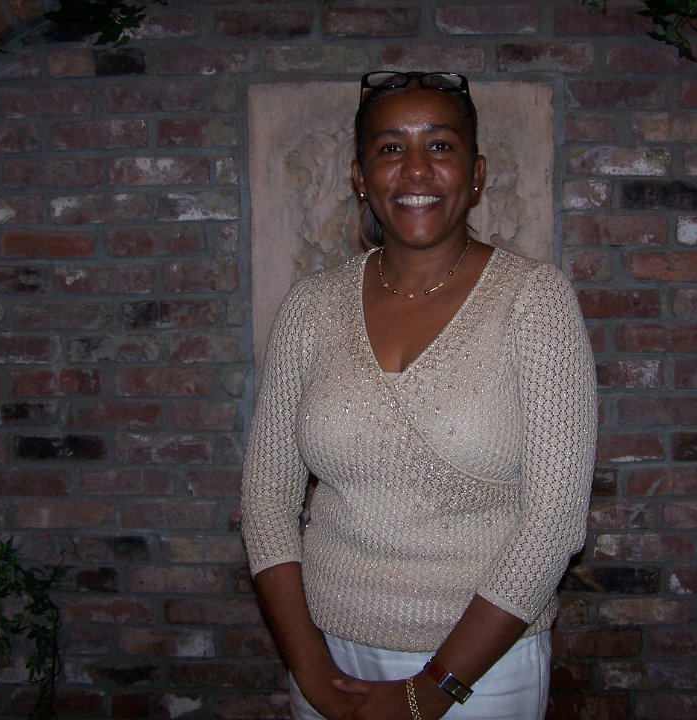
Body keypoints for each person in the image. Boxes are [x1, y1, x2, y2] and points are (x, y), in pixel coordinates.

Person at [241, 71, 598, 720]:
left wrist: (432, 689)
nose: (415, 169)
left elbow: (555, 522)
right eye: (390, 148)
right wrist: (310, 667)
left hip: (483, 669)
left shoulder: (533, 301)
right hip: (329, 657)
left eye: (439, 145)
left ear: (476, 173)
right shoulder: (310, 307)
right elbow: (266, 500)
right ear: (360, 177)